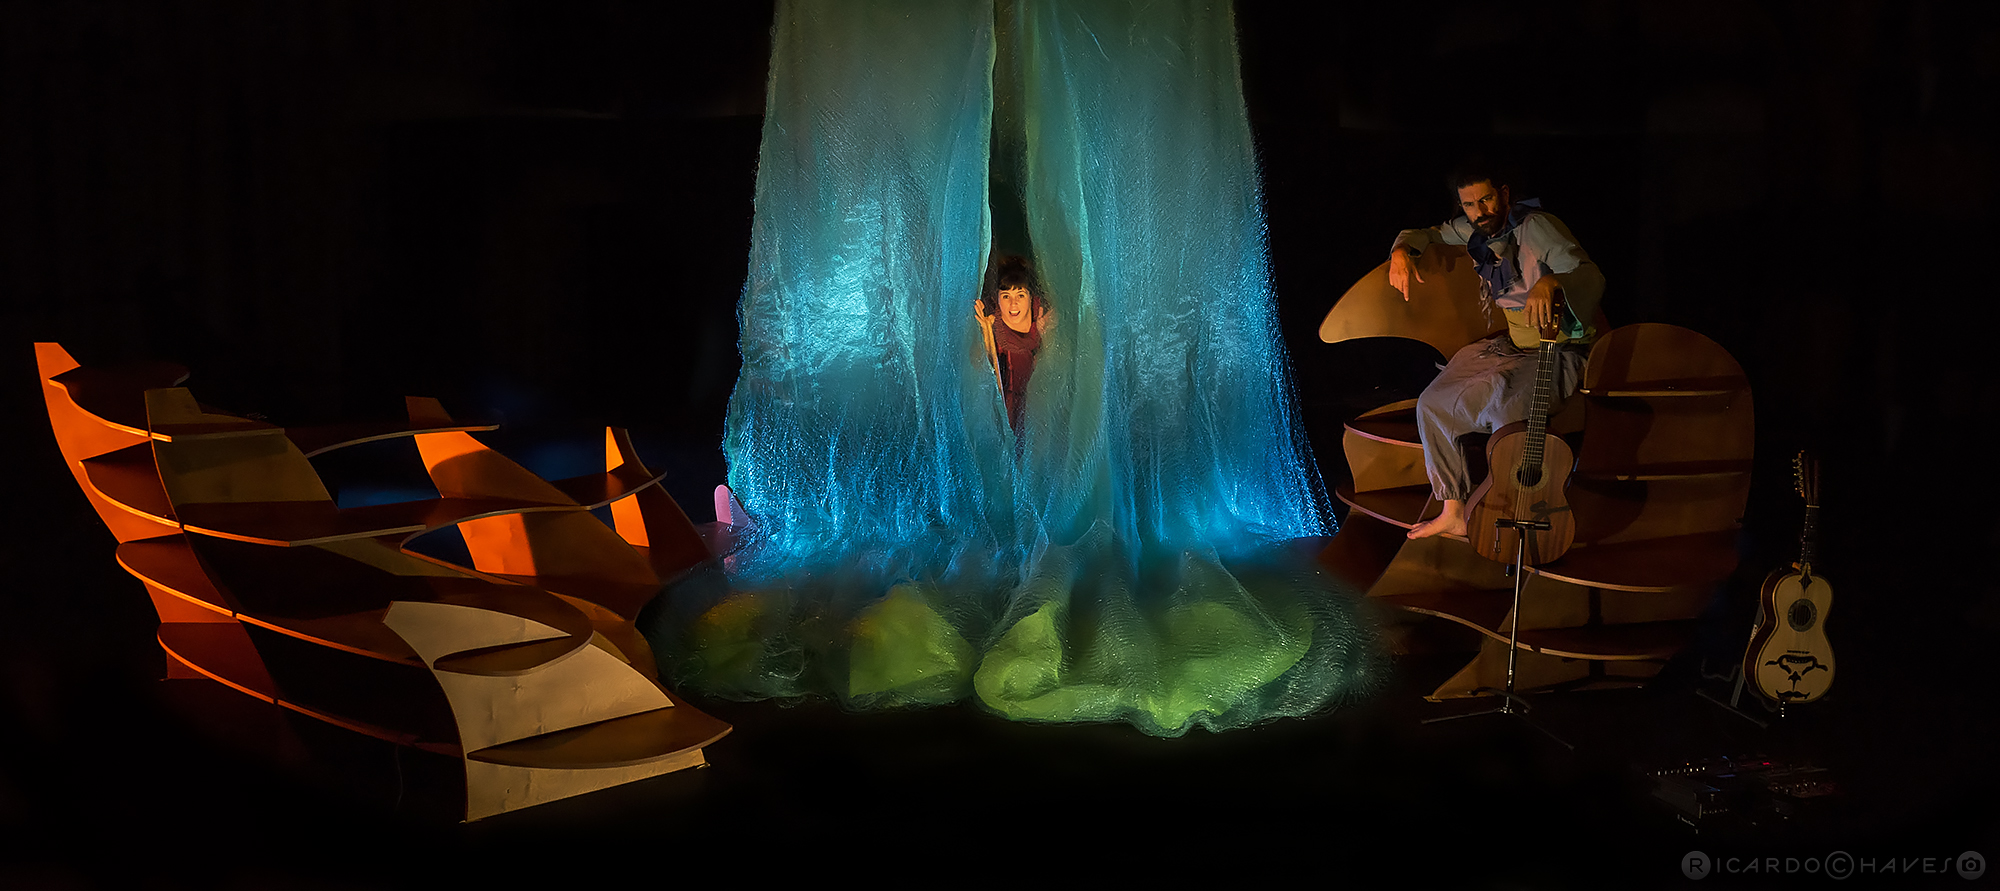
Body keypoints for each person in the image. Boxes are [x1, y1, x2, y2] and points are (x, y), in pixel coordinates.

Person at [1387, 162, 1605, 540]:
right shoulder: (1473, 229)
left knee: (1505, 412)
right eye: (1469, 205)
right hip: (1512, 347)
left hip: (1558, 350)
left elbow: (1589, 275)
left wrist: (1553, 281)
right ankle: (1453, 511)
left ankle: (1509, 509)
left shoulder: (1537, 226)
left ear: (1503, 194)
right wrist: (1402, 252)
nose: (1480, 211)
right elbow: (1426, 234)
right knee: (1432, 403)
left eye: (1486, 200)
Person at [973, 254, 1053, 433]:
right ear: (997, 297)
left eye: (1020, 295)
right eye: (1006, 296)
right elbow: (977, 374)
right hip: (1003, 417)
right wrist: (986, 335)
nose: (1013, 303)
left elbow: (1055, 374)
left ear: (1031, 297)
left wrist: (1047, 337)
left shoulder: (1044, 318)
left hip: (1037, 415)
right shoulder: (989, 321)